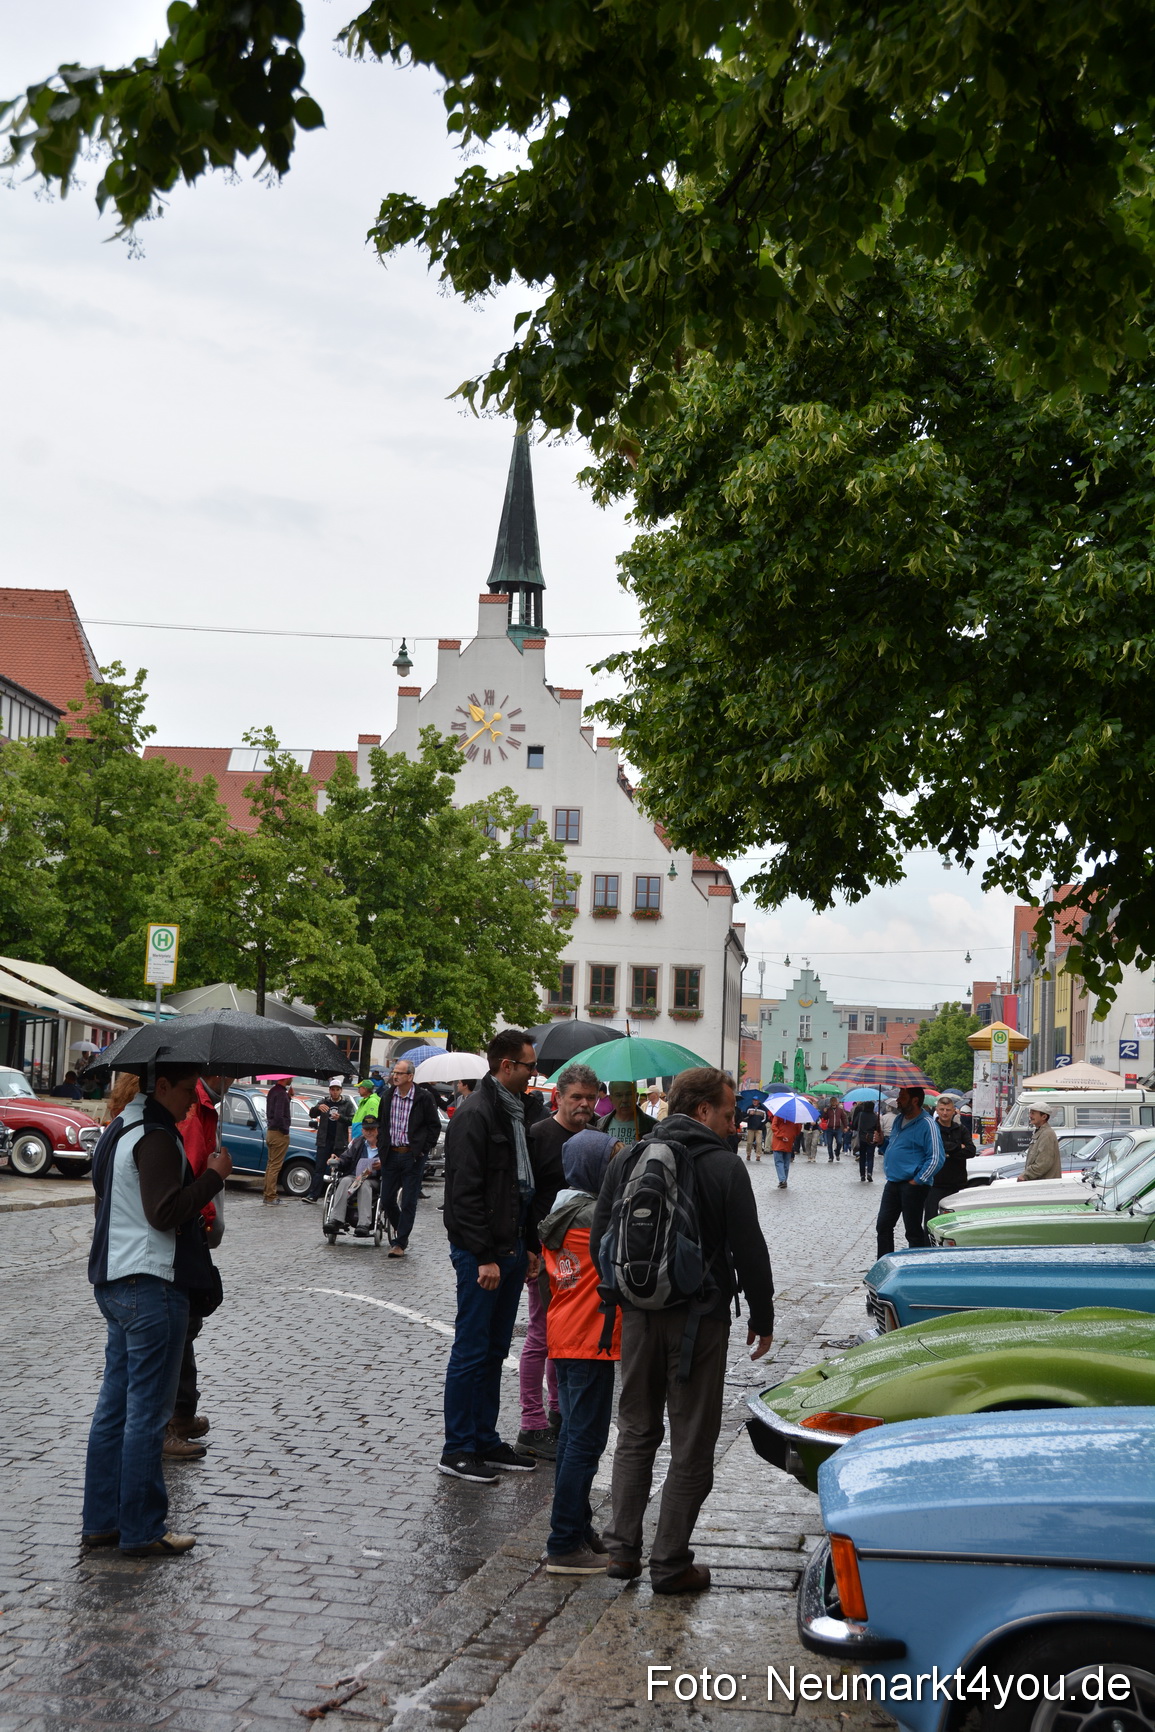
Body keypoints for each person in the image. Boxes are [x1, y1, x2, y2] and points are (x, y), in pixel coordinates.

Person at [592, 1066, 775, 1594]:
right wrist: (761, 1316)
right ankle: (671, 1563)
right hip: (701, 1319)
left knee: (635, 1433)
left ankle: (622, 1550)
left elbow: (603, 1236)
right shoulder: (724, 1166)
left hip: (638, 1319)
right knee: (692, 1443)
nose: (734, 1119)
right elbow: (749, 1248)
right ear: (701, 1111)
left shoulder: (628, 1156)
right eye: (727, 1109)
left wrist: (622, 1297)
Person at [83, 1065, 231, 1558]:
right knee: (146, 1415)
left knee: (114, 1411)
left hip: (116, 1279)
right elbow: (164, 1211)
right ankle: (142, 1528)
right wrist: (212, 1177)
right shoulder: (155, 1136)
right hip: (150, 1284)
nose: (194, 1100)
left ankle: (102, 1521)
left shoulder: (119, 1129)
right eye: (188, 1090)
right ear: (161, 1086)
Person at [440, 1029, 551, 1482]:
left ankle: (484, 1439)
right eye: (528, 1066)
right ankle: (457, 1448)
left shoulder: (513, 1112)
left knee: (492, 1349)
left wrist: (525, 1246)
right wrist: (484, 1254)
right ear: (506, 1066)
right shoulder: (477, 1113)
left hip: (507, 1249)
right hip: (480, 1254)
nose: (533, 1074)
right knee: (470, 1350)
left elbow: (519, 1189)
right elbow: (463, 1194)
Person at [538, 1129, 622, 1574]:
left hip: (565, 1334)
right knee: (584, 1444)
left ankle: (578, 1528)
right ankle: (564, 1542)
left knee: (573, 1437)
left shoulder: (561, 1207)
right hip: (591, 1338)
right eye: (611, 1161)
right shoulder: (593, 1215)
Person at [518, 1062, 600, 1460]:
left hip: (586, 1257)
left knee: (566, 1340)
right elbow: (525, 1196)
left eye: (590, 1097)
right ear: (558, 1098)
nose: (585, 1104)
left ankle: (557, 1413)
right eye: (577, 1098)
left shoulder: (596, 1138)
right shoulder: (538, 1136)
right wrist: (530, 1249)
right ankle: (531, 1423)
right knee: (541, 1336)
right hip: (545, 1252)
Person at [168, 1073, 232, 1455]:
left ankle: (183, 1413)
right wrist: (206, 1219)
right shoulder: (194, 1108)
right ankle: (172, 1420)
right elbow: (191, 1175)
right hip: (186, 1232)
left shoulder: (205, 1106)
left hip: (191, 1230)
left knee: (186, 1326)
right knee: (180, 1326)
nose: (236, 1076)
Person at [376, 1057, 441, 1257]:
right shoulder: (387, 1096)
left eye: (399, 1073)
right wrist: (382, 1147)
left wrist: (422, 1148)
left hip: (412, 1156)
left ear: (410, 1076)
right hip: (391, 1155)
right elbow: (382, 1124)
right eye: (394, 1072)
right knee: (386, 1199)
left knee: (409, 1202)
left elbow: (434, 1126)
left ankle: (400, 1243)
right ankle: (401, 1230)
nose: (394, 1076)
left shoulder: (423, 1097)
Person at [875, 1087, 945, 1257]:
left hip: (913, 1185)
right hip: (893, 1182)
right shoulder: (899, 1120)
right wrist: (882, 1143)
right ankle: (883, 1265)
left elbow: (936, 1158)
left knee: (912, 1231)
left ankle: (916, 1268)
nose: (898, 1100)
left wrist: (918, 1180)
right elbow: (894, 1147)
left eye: (902, 1096)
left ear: (914, 1100)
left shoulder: (927, 1124)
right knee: (883, 1226)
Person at [923, 1095, 976, 1224]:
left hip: (957, 1184)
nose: (945, 1113)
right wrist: (958, 1147)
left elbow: (971, 1151)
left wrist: (948, 1151)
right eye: (942, 1109)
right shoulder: (931, 1129)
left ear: (954, 1111)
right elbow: (932, 1149)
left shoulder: (961, 1129)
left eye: (948, 1110)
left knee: (956, 1222)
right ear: (937, 1110)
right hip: (935, 1184)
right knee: (931, 1221)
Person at [324, 1118, 381, 1236]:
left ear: (377, 1130)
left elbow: (391, 1163)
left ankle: (364, 1224)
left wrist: (382, 1165)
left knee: (363, 1184)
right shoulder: (358, 1142)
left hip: (374, 1179)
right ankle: (336, 1220)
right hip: (355, 1176)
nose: (369, 1132)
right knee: (344, 1181)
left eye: (372, 1129)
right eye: (366, 1130)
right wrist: (337, 1161)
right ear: (362, 1130)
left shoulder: (384, 1144)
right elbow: (346, 1157)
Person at [306, 1081, 354, 1201]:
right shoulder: (324, 1102)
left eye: (337, 1089)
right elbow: (312, 1114)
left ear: (341, 1090)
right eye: (332, 1089)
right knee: (319, 1169)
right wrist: (317, 1108)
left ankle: (338, 1196)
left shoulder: (346, 1103)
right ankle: (313, 1195)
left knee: (341, 1169)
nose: (335, 1092)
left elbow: (352, 1120)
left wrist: (341, 1118)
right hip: (324, 1141)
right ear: (329, 1090)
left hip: (339, 1141)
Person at [595, 1081, 658, 1145]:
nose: (624, 1100)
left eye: (629, 1094)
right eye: (619, 1095)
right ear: (611, 1099)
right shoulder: (600, 1125)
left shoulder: (653, 1127)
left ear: (636, 1096)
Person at [263, 1075, 292, 1205]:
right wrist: (285, 1130)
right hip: (278, 1133)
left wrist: (289, 1097)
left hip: (270, 1132)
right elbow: (280, 1115)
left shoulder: (274, 1091)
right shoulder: (281, 1094)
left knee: (270, 1165)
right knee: (275, 1166)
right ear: (286, 1078)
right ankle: (271, 1196)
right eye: (291, 1077)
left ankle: (267, 1194)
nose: (292, 1079)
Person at [1019, 1103, 1062, 1181]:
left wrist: (1026, 1175)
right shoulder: (1040, 1132)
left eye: (1033, 1113)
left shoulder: (1047, 1134)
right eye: (1030, 1113)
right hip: (1040, 1183)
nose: (1030, 1116)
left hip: (1044, 1185)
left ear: (1044, 1117)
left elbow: (1043, 1164)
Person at [851, 1099, 880, 1183]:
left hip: (861, 1137)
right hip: (871, 1138)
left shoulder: (860, 1115)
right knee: (870, 1156)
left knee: (862, 1157)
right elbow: (877, 1128)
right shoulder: (875, 1116)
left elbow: (854, 1125)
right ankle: (870, 1173)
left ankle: (862, 1175)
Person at [769, 1112, 795, 1188]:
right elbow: (797, 1130)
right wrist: (790, 1136)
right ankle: (784, 1180)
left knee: (779, 1162)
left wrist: (780, 1135)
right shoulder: (794, 1117)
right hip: (789, 1141)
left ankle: (782, 1180)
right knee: (786, 1163)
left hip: (778, 1142)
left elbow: (774, 1126)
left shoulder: (778, 1114)